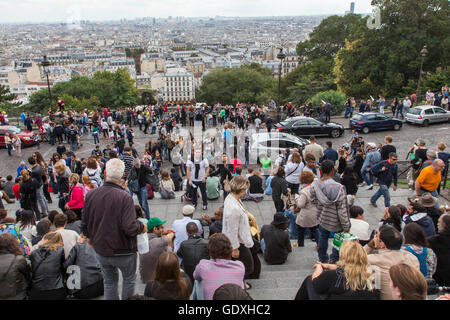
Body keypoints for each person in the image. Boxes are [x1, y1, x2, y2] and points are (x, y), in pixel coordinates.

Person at [81, 158, 147, 300]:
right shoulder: (125, 197)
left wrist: (90, 238)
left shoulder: (91, 194)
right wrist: (142, 226)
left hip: (102, 249)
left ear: (104, 173)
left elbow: (84, 223)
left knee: (109, 282)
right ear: (123, 175)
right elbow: (129, 227)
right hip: (123, 250)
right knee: (129, 280)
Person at [295, 241, 379, 300]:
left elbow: (315, 284)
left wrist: (319, 268)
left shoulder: (332, 275)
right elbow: (352, 267)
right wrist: (328, 266)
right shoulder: (373, 274)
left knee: (309, 280)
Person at [364, 225, 420, 300]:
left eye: (377, 236)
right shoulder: (412, 258)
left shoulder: (375, 260)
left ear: (382, 244)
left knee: (370, 270)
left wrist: (370, 245)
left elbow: (354, 257)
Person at [310, 160, 350, 263]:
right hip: (336, 220)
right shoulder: (339, 187)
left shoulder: (315, 185)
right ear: (332, 171)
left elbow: (313, 200)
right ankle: (334, 258)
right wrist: (346, 225)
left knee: (323, 237)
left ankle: (322, 258)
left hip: (323, 217)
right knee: (338, 239)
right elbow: (342, 209)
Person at [193, 233, 246, 300]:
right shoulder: (239, 266)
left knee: (197, 281)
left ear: (210, 250)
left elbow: (195, 276)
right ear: (230, 249)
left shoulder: (203, 265)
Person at [222, 176, 254, 284]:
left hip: (240, 238)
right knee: (248, 267)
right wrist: (234, 248)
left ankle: (239, 282)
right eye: (245, 190)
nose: (246, 192)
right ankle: (237, 283)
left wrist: (245, 219)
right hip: (238, 242)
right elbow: (232, 229)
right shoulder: (233, 208)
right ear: (241, 190)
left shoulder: (232, 198)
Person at [28, 232, 67, 300]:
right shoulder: (59, 251)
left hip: (37, 290)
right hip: (56, 289)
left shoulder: (34, 253)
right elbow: (64, 268)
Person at [140, 217, 175, 283]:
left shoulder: (144, 238)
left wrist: (162, 232)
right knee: (169, 253)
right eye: (161, 227)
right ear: (155, 229)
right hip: (157, 279)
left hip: (145, 277)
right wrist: (171, 233)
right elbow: (170, 236)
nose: (163, 229)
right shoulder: (160, 242)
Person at [0, 233, 31, 300]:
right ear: (14, 244)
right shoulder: (18, 260)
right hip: (17, 295)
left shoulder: (18, 260)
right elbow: (28, 276)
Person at [294, 171, 318, 247]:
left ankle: (300, 245)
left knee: (301, 230)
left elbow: (300, 204)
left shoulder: (304, 191)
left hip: (306, 215)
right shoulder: (316, 188)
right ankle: (319, 244)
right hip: (315, 212)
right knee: (314, 230)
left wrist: (297, 198)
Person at [427, 213, 450, 286]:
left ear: (444, 225)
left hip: (439, 280)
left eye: (439, 222)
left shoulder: (432, 241)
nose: (437, 223)